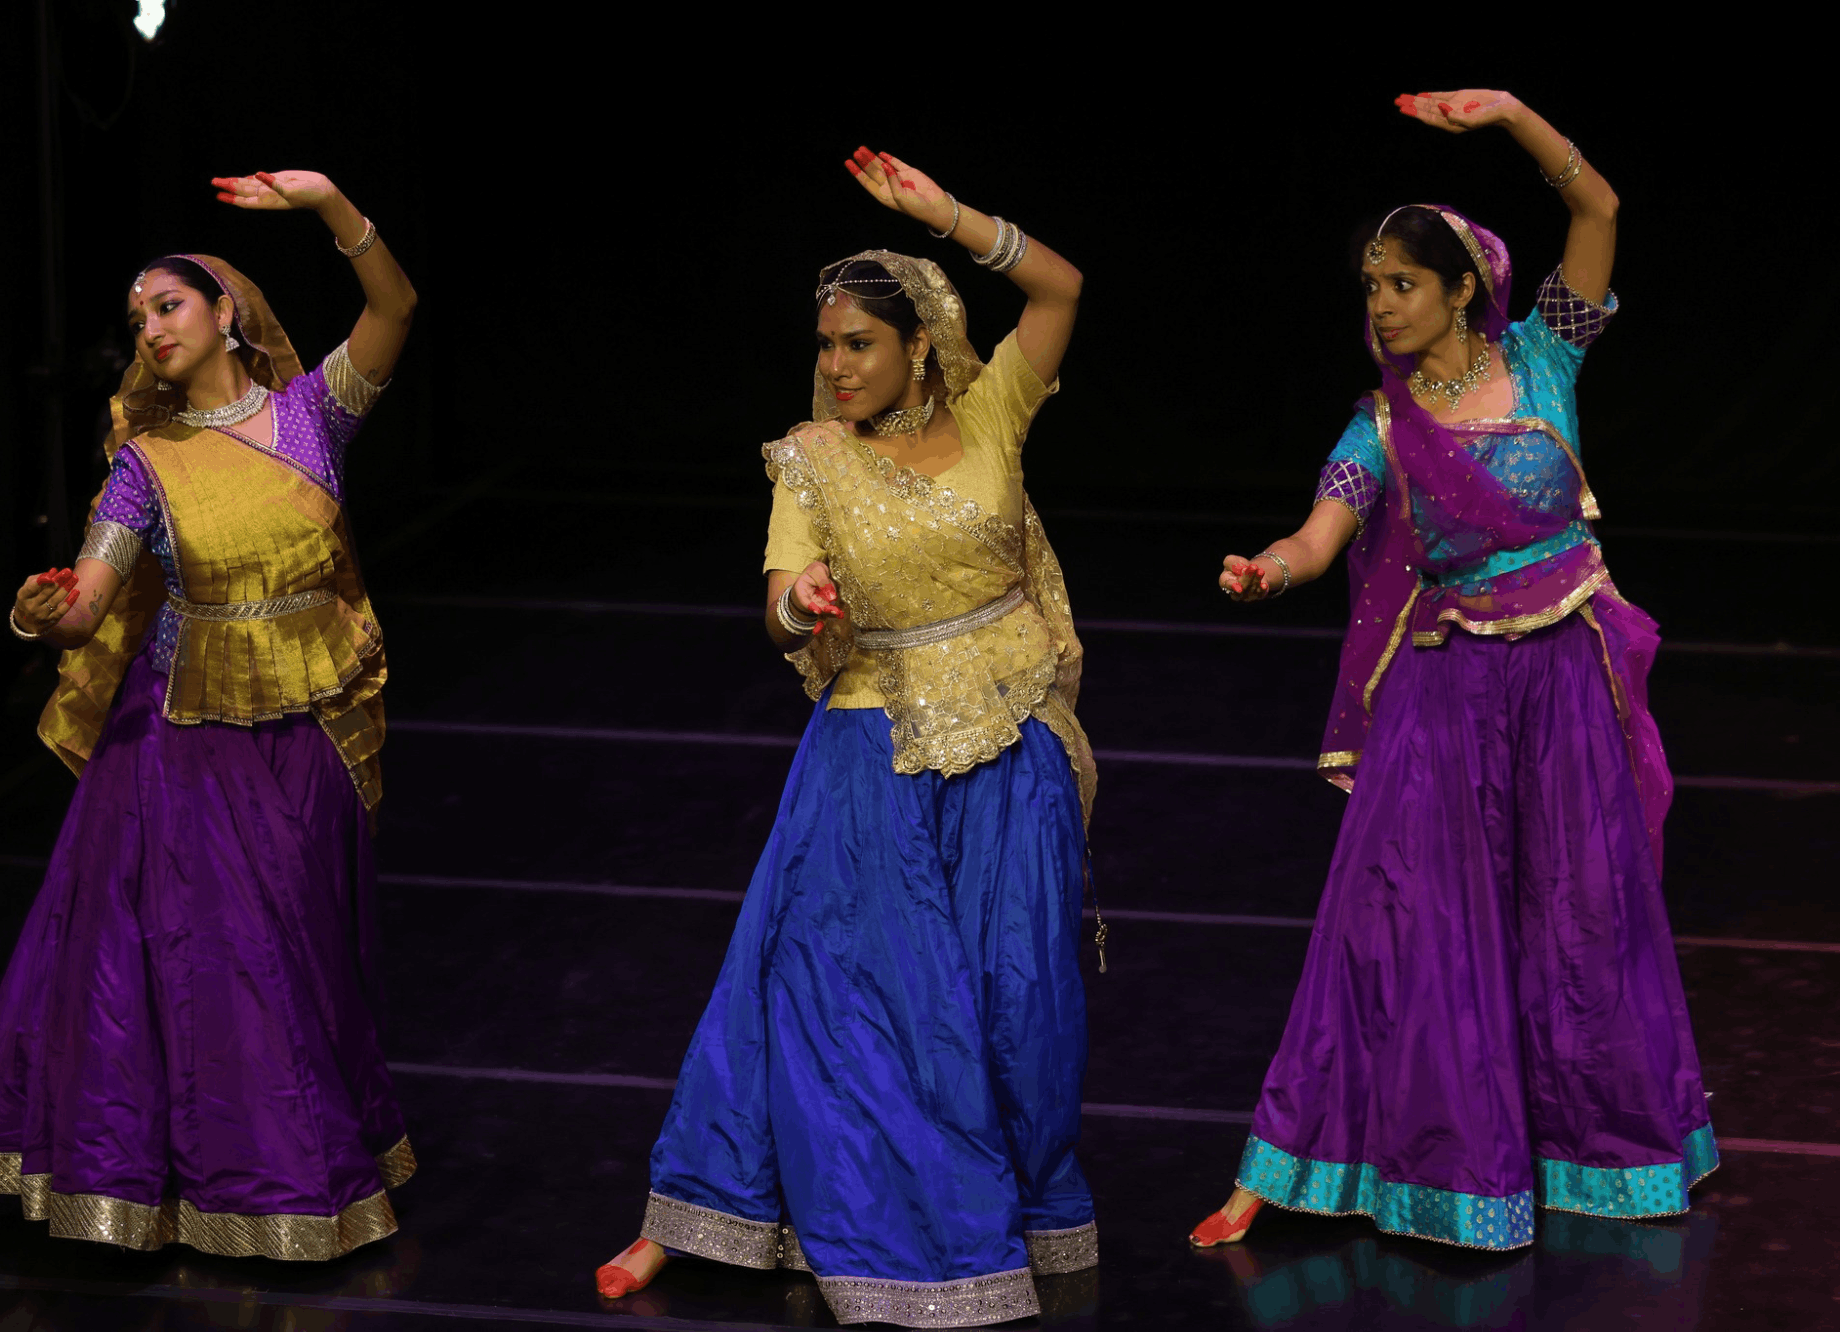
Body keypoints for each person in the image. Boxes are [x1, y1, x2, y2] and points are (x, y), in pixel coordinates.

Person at [1189, 91, 1714, 1252]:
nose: (1379, 304)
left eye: (1400, 283)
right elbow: (1319, 535)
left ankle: (1603, 1156)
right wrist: (1269, 573)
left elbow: (1597, 202)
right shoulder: (1379, 424)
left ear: (1462, 288)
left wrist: (1512, 117)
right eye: (1370, 286)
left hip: (1565, 683)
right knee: (1407, 926)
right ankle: (1324, 1164)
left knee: (1580, 917)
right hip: (1447, 692)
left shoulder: (1547, 355)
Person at [595, 147, 1101, 1326]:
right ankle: (843, 1220)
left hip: (1008, 746)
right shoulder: (811, 457)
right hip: (870, 754)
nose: (834, 368)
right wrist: (798, 605)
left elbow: (1062, 291)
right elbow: (776, 589)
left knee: (1018, 999)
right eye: (824, 347)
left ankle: (1013, 1209)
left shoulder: (990, 414)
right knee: (850, 997)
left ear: (917, 345)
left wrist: (950, 216)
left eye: (856, 345)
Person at [0, 170, 419, 1268]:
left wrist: (329, 205)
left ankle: (263, 1163)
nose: (149, 325)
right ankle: (14, 1173)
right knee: (159, 958)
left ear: (227, 309)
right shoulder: (147, 463)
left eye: (168, 304)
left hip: (308, 730)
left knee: (306, 952)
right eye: (136, 318)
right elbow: (88, 600)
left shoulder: (312, 413)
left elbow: (395, 307)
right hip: (184, 739)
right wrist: (43, 616)